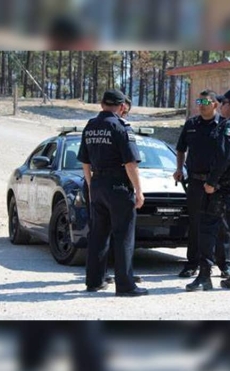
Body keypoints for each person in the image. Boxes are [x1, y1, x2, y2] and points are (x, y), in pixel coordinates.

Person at [77, 89, 148, 297]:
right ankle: (125, 285)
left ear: (101, 104)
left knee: (98, 235)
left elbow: (85, 162)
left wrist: (91, 186)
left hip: (97, 184)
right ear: (122, 107)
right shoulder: (121, 127)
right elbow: (130, 163)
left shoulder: (90, 126)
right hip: (118, 186)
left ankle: (94, 281)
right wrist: (139, 191)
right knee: (123, 236)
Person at [186, 88, 230, 291]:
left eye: (223, 103)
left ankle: (204, 276)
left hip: (225, 186)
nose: (221, 106)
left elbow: (225, 157)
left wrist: (212, 182)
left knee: (207, 226)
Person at [174, 90, 230, 279]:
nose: (201, 105)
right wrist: (179, 168)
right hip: (195, 182)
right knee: (195, 223)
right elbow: (181, 148)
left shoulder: (224, 125)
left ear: (215, 104)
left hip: (217, 183)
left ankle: (225, 264)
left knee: (221, 223)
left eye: (205, 102)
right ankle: (193, 264)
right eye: (199, 101)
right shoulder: (191, 124)